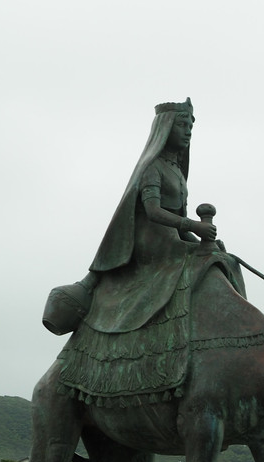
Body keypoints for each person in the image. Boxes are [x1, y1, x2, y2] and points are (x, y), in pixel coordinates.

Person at [48, 98, 245, 406]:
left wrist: (198, 235)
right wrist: (192, 224)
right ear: (166, 128)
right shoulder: (152, 167)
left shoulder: (177, 170)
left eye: (191, 126)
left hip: (173, 238)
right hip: (152, 242)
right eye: (182, 125)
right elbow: (153, 211)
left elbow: (179, 224)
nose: (188, 131)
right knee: (211, 259)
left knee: (225, 258)